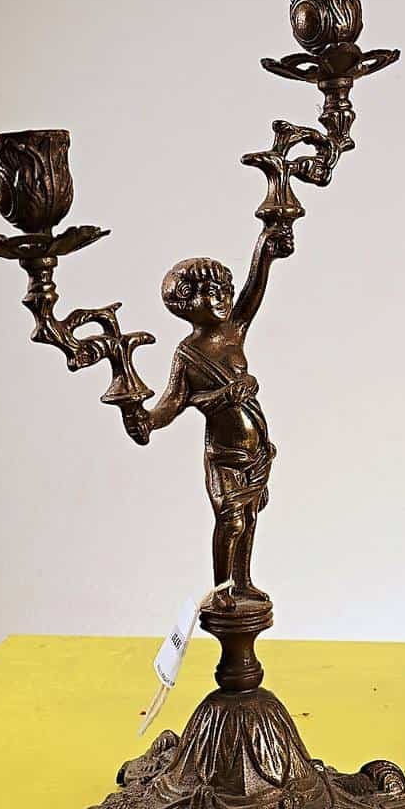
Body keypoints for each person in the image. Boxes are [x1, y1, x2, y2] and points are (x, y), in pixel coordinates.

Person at [123, 222, 294, 609]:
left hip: (255, 453)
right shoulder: (188, 355)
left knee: (250, 517)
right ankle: (222, 591)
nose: (221, 298)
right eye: (208, 292)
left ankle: (243, 582)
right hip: (224, 456)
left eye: (223, 290)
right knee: (231, 521)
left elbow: (254, 288)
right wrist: (146, 420)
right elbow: (171, 403)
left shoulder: (234, 332)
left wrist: (266, 248)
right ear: (184, 303)